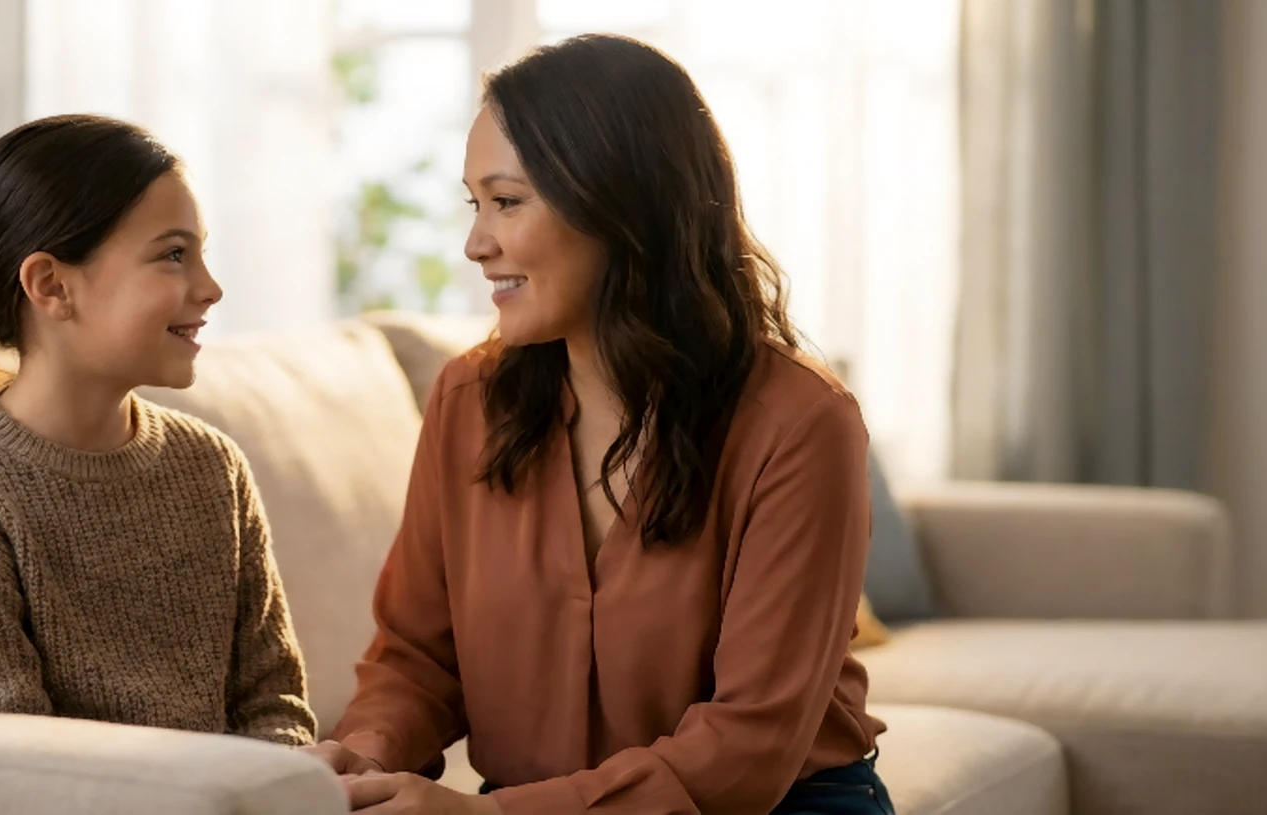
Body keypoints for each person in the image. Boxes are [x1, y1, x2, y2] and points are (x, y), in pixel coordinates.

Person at [306, 35, 894, 814]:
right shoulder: (466, 401)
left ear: (620, 204)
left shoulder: (801, 423)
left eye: (507, 202)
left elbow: (749, 745)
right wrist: (364, 755)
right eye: (473, 204)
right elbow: (418, 656)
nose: (476, 244)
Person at [0, 114, 315, 747]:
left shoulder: (213, 467)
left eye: (201, 254)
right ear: (52, 286)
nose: (211, 288)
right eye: (173, 255)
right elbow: (9, 766)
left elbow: (276, 709)